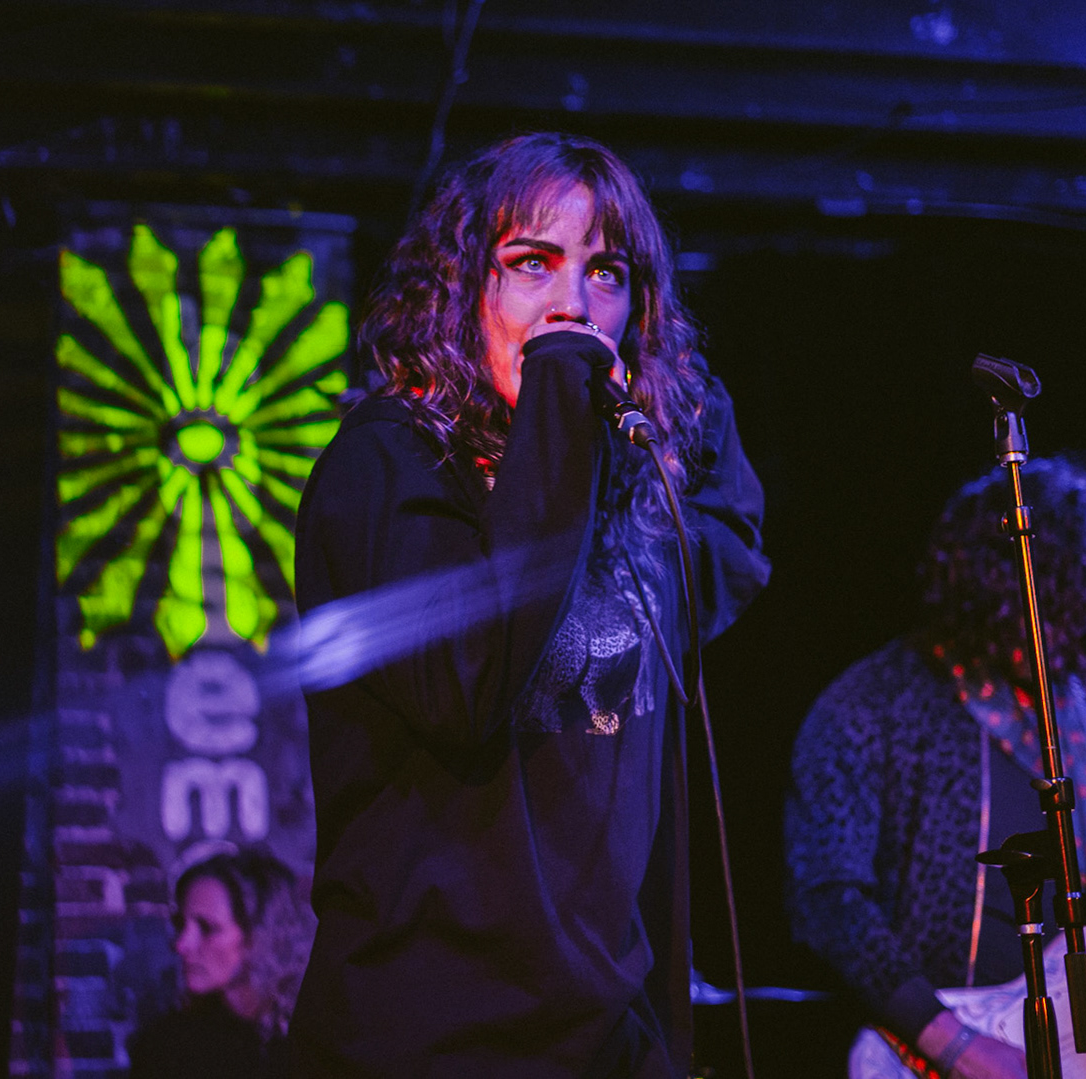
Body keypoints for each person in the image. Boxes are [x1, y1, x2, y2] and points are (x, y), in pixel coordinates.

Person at [288, 132, 771, 1078]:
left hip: (606, 1036)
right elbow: (466, 683)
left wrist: (667, 395)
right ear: (461, 288)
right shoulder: (385, 467)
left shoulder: (622, 502)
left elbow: (731, 533)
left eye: (606, 273)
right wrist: (557, 384)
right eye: (531, 263)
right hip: (426, 1039)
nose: (572, 305)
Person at [785, 454, 1086, 1078]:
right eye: (1052, 599)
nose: (1064, 626)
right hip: (919, 1053)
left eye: (1085, 604)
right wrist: (955, 1046)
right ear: (992, 583)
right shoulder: (874, 706)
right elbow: (829, 901)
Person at [129, 849, 312, 1079]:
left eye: (207, 928)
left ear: (258, 935)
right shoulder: (166, 1048)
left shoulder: (312, 1039)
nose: (181, 944)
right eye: (180, 925)